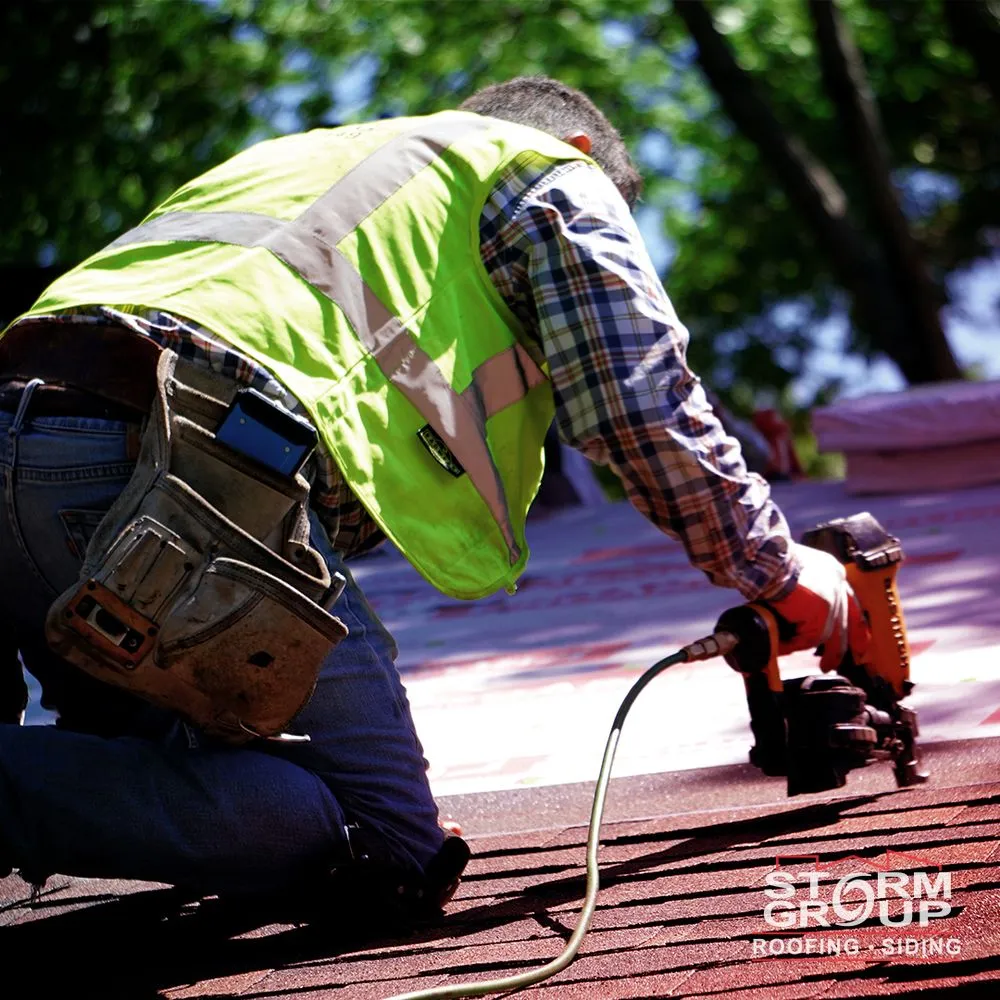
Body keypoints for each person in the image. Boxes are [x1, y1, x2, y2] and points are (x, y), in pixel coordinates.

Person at [0, 76, 867, 911]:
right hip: (169, 479)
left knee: (166, 754)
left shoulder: (310, 159)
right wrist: (780, 571)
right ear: (575, 149)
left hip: (36, 438)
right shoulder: (542, 170)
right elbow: (641, 408)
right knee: (389, 849)